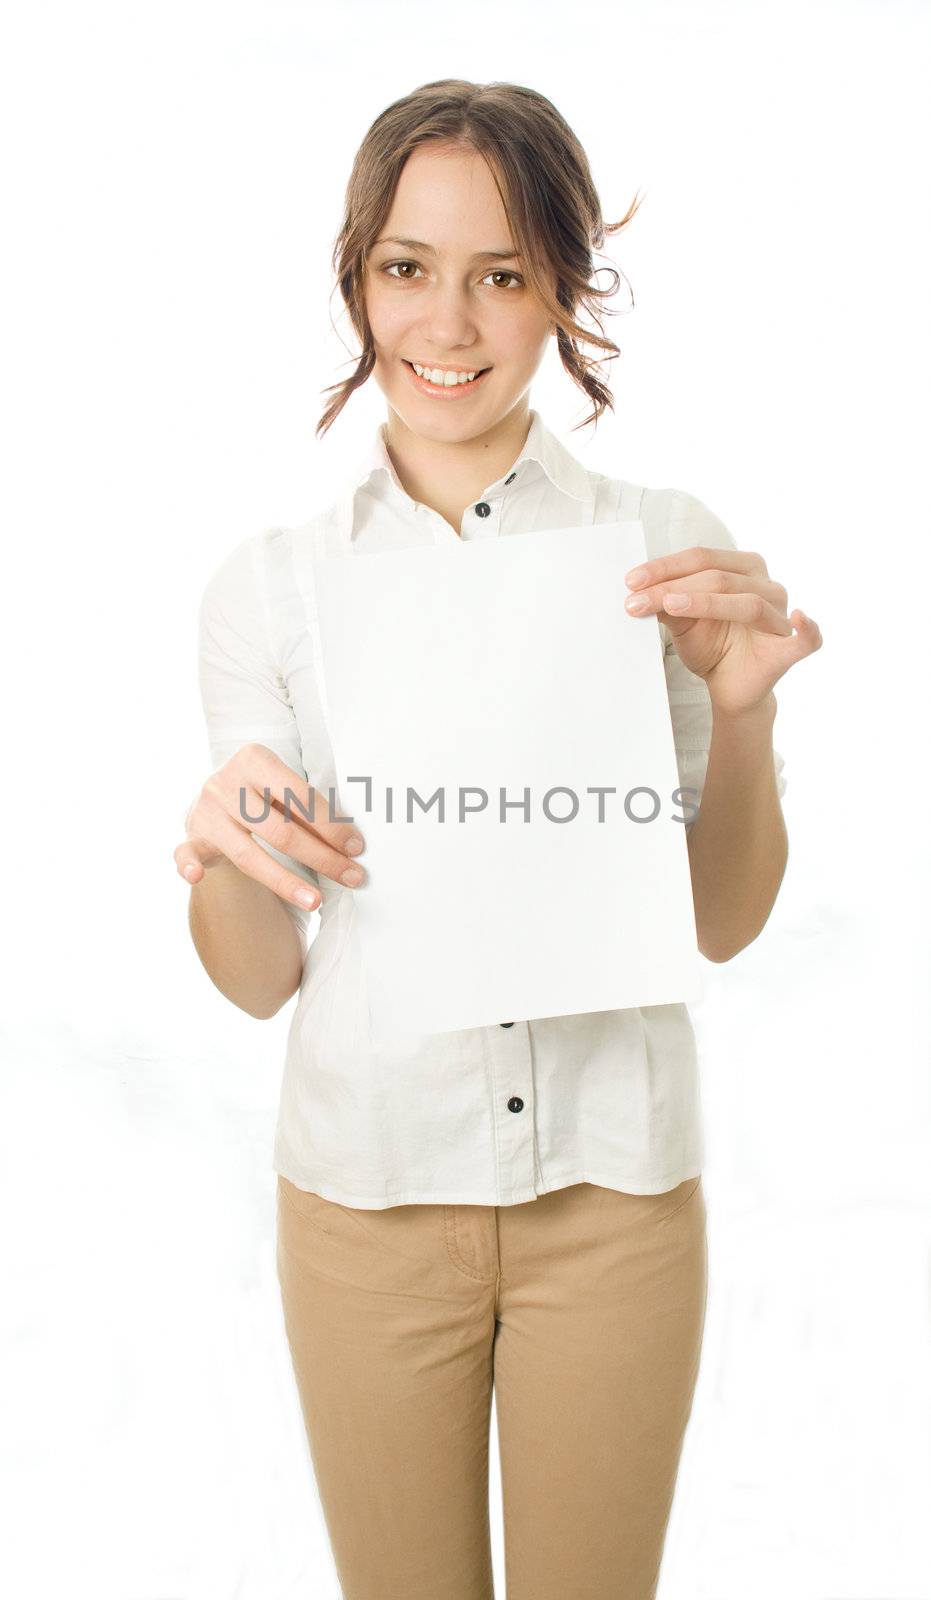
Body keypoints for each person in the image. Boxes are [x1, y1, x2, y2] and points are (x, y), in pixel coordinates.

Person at [174, 79, 821, 1600]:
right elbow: (259, 978)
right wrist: (226, 855)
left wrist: (743, 716)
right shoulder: (269, 592)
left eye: (502, 274)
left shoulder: (659, 550)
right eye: (407, 268)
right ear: (357, 279)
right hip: (365, 1203)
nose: (448, 323)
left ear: (562, 295)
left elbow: (719, 921)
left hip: (616, 1203)